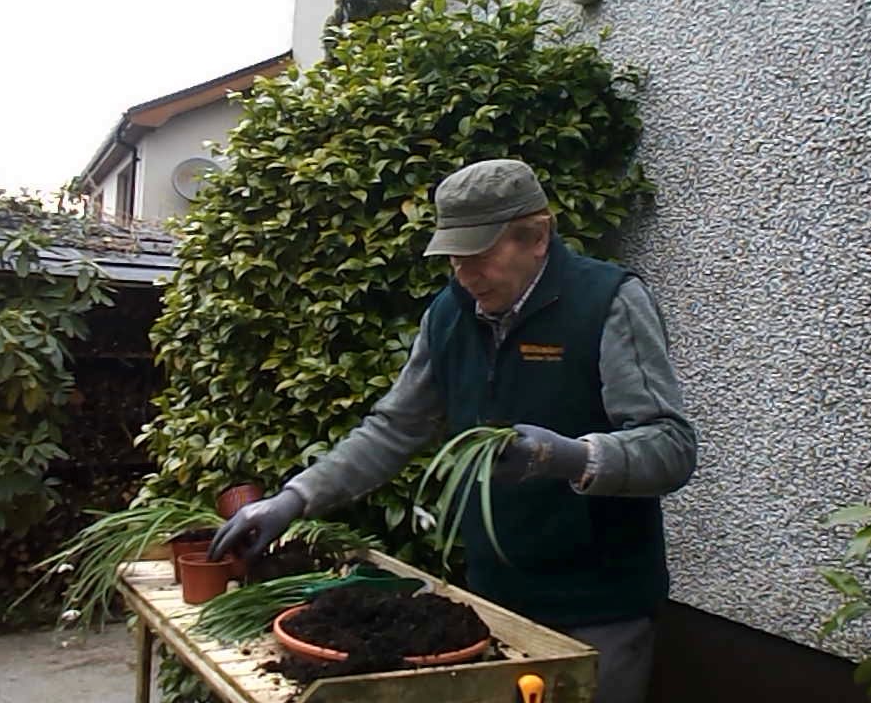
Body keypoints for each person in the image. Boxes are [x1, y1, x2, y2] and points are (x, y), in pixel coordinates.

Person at [210, 158, 697, 703]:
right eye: (454, 259)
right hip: (493, 599)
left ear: (536, 237)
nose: (464, 275)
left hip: (598, 610)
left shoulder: (607, 303)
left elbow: (670, 446)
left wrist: (571, 457)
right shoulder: (450, 313)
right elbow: (394, 427)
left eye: (480, 255)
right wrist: (295, 499)